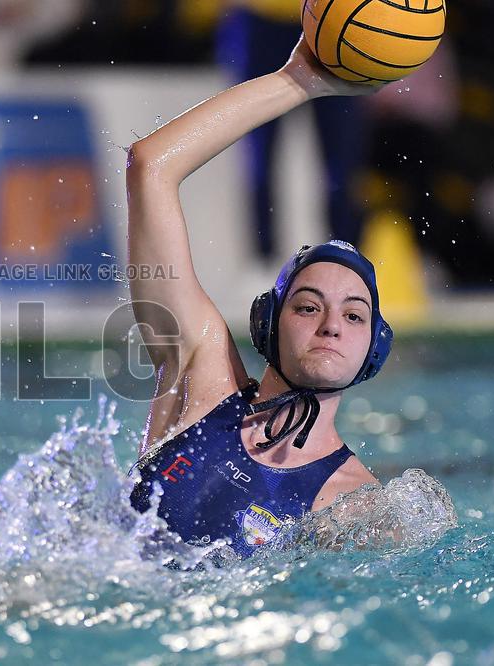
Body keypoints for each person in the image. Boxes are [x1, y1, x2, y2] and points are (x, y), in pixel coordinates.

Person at [124, 38, 391, 558]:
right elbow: (150, 165)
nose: (331, 325)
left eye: (354, 315)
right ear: (268, 324)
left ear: (373, 348)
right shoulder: (198, 380)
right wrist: (301, 81)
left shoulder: (360, 507)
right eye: (309, 306)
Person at [216, 0, 366, 262]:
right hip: (261, 18)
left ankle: (347, 258)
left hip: (334, 17)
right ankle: (263, 259)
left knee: (341, 161)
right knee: (259, 154)